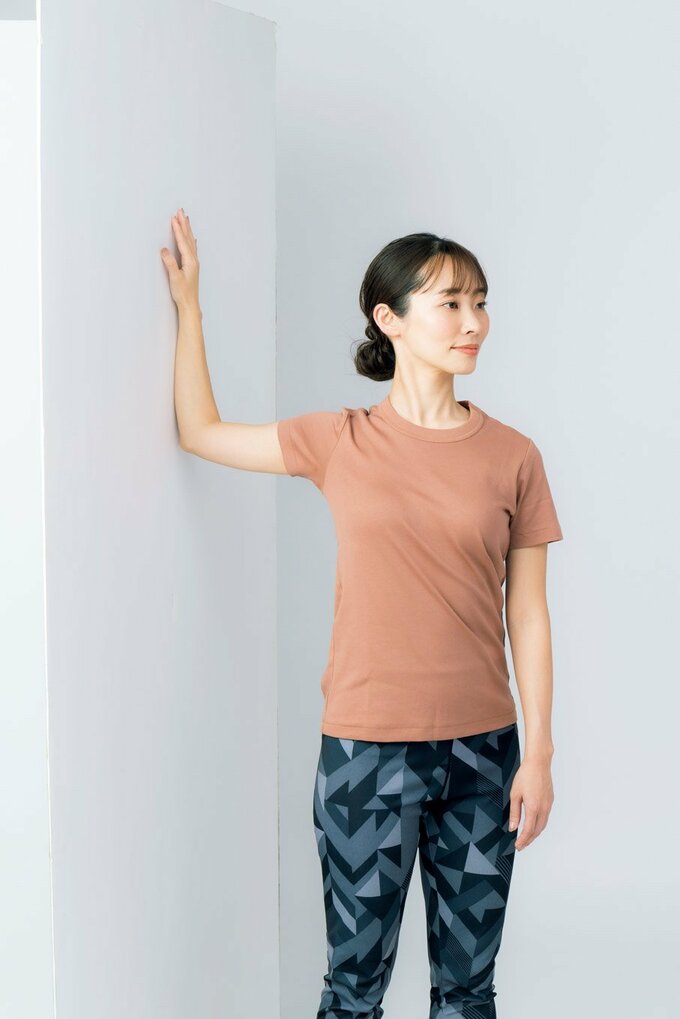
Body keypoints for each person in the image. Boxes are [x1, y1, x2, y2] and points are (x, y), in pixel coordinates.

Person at [161, 210, 564, 1019]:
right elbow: (201, 432)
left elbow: (528, 612)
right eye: (450, 303)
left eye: (480, 302)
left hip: (485, 757)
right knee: (353, 989)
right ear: (390, 318)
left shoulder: (515, 455)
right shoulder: (337, 439)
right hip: (364, 752)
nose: (473, 322)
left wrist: (541, 752)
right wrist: (191, 309)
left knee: (469, 991)